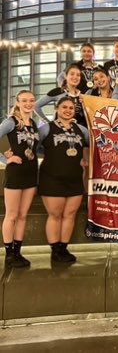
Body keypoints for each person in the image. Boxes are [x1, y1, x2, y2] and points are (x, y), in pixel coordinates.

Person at [37, 97, 90, 263]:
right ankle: (55, 250)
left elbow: (89, 146)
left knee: (70, 215)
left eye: (71, 108)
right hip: (51, 178)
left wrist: (85, 159)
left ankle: (63, 248)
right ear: (57, 109)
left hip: (74, 178)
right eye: (64, 107)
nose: (68, 110)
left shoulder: (81, 129)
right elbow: (33, 146)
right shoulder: (46, 128)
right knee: (55, 215)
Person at [2, 91, 40, 267]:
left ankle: (18, 252)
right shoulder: (11, 122)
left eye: (31, 101)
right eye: (24, 101)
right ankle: (9, 254)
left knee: (23, 216)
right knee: (11, 215)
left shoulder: (34, 123)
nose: (28, 103)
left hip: (31, 173)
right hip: (15, 173)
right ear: (17, 102)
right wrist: (5, 158)